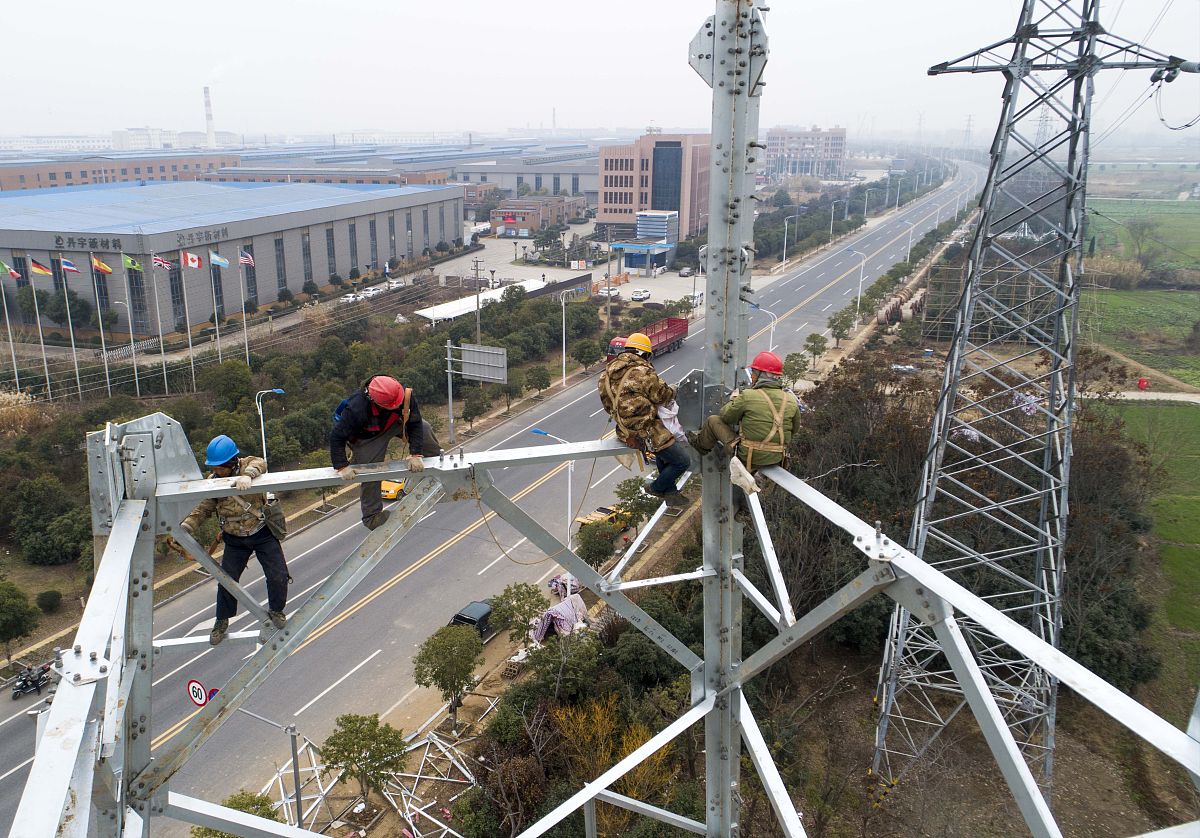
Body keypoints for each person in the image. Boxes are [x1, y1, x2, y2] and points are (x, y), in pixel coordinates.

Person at [181, 435, 289, 646]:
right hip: (234, 539)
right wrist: (187, 527)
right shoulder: (214, 482)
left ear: (232, 462)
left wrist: (248, 476)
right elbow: (203, 509)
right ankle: (222, 620)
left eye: (220, 467)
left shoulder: (248, 465)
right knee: (227, 582)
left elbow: (261, 463)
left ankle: (276, 610)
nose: (217, 471)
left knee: (278, 575)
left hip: (261, 532)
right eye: (215, 468)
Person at [330, 374, 442, 529]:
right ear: (376, 402)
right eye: (393, 404)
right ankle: (372, 516)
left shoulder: (403, 395)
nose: (398, 405)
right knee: (371, 469)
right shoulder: (356, 408)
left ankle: (438, 472)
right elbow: (336, 436)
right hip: (368, 436)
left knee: (425, 428)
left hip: (394, 423)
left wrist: (415, 453)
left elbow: (415, 423)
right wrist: (342, 466)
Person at [598, 332, 691, 507]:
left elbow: (607, 405)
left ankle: (671, 493)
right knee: (681, 461)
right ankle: (656, 487)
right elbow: (662, 395)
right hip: (647, 430)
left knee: (664, 454)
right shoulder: (642, 372)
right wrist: (673, 389)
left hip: (624, 431)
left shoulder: (606, 374)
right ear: (643, 354)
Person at [689, 350, 802, 472]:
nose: (752, 376)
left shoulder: (748, 395)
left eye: (754, 372)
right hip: (776, 457)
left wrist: (734, 400)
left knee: (713, 420)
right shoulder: (790, 399)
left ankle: (700, 445)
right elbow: (794, 429)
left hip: (749, 455)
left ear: (761, 375)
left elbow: (726, 416)